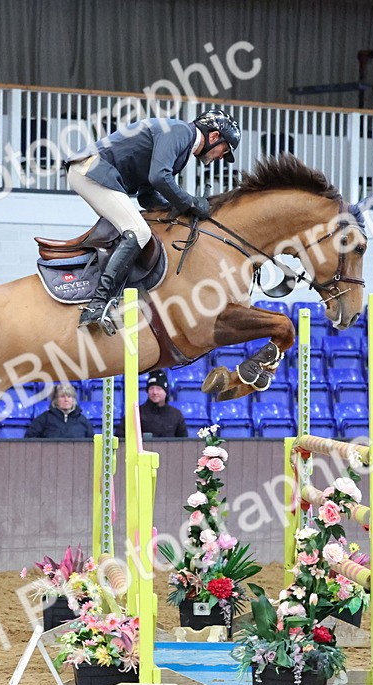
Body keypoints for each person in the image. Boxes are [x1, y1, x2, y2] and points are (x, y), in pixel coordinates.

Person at [64, 109, 241, 334]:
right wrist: (191, 203)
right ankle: (97, 305)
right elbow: (159, 177)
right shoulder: (180, 132)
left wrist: (180, 211)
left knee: (140, 229)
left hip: (95, 172)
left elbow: (147, 195)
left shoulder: (182, 146)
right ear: (214, 136)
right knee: (138, 231)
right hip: (92, 170)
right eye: (224, 150)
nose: (221, 157)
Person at [24, 384, 94, 439]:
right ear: (55, 400)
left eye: (69, 396)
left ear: (73, 399)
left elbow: (92, 443)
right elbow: (29, 439)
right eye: (62, 396)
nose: (66, 400)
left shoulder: (83, 420)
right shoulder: (44, 419)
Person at [138, 370, 187, 438]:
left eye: (158, 388)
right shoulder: (138, 413)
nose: (154, 392)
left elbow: (183, 441)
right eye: (151, 388)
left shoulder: (176, 415)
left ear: (165, 391)